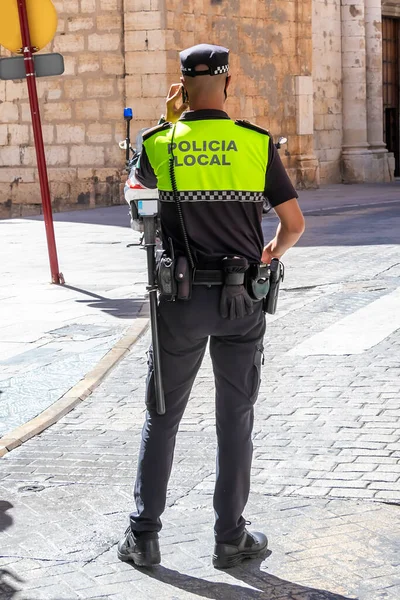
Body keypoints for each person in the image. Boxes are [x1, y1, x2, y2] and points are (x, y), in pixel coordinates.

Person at [118, 44, 305, 569]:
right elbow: (294, 225)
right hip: (241, 299)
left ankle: (144, 536)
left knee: (163, 416)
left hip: (178, 301)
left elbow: (135, 197)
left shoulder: (159, 142)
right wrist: (267, 255)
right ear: (227, 84)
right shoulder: (254, 142)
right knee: (235, 418)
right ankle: (230, 538)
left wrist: (166, 121)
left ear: (181, 84)